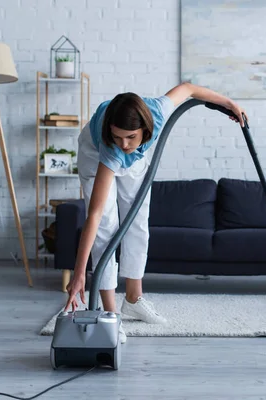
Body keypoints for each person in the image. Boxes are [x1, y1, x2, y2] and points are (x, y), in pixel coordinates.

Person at [64, 82, 248, 343]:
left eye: (131, 137)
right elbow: (93, 215)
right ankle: (110, 314)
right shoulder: (111, 147)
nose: (125, 144)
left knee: (137, 221)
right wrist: (79, 272)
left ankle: (133, 298)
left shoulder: (157, 112)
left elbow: (189, 89)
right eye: (119, 136)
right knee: (107, 226)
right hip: (95, 156)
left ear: (146, 128)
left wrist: (229, 103)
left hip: (137, 158)